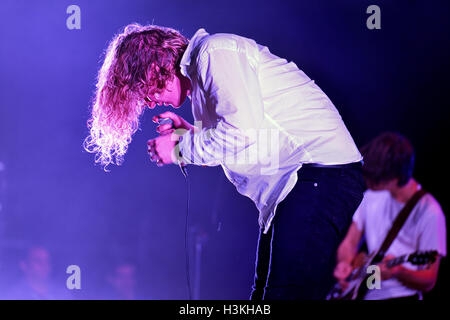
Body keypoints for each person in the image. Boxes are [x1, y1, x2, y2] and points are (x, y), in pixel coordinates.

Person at [84, 24, 364, 299]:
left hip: (319, 175)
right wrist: (190, 134)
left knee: (283, 295)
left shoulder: (213, 53)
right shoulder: (203, 83)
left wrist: (180, 149)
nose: (150, 102)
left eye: (146, 91)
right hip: (305, 181)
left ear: (155, 67)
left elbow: (242, 133)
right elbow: (246, 142)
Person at [333, 132, 447, 300]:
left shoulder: (430, 212)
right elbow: (350, 242)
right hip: (369, 290)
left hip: (402, 295)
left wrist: (399, 272)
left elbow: (429, 280)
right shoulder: (372, 195)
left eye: (377, 179)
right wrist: (345, 263)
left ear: (397, 178)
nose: (369, 182)